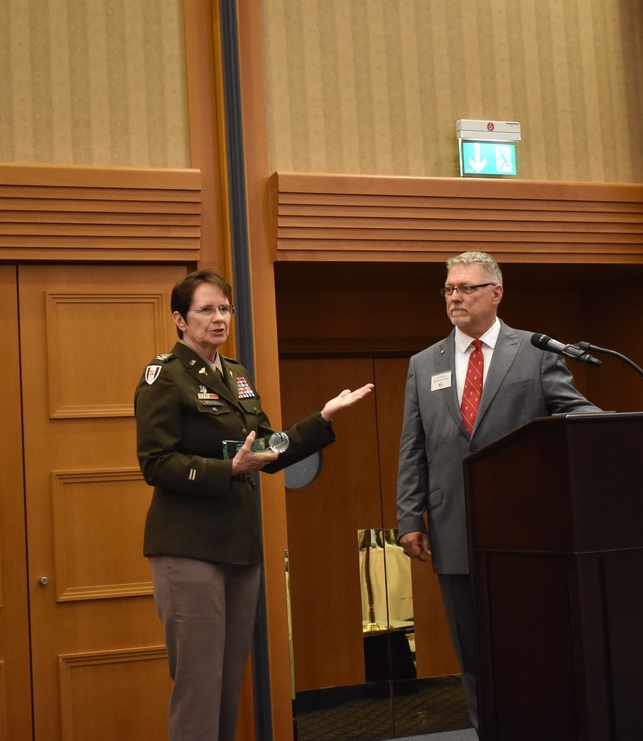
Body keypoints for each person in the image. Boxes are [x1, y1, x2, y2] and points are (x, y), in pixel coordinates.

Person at [135, 268, 373, 741]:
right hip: (188, 549)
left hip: (239, 548)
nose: (219, 318)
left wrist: (321, 419)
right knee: (198, 687)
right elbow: (156, 464)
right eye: (206, 310)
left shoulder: (237, 375)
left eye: (224, 308)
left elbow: (267, 448)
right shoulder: (164, 376)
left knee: (227, 683)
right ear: (180, 320)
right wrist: (228, 471)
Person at [396, 251, 599, 731]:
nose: (455, 297)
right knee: (473, 656)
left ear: (496, 293)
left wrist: (618, 428)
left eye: (466, 288)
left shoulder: (536, 349)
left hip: (527, 531)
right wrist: (409, 518)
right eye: (449, 289)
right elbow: (413, 447)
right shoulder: (424, 364)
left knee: (531, 648)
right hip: (454, 529)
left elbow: (575, 410)